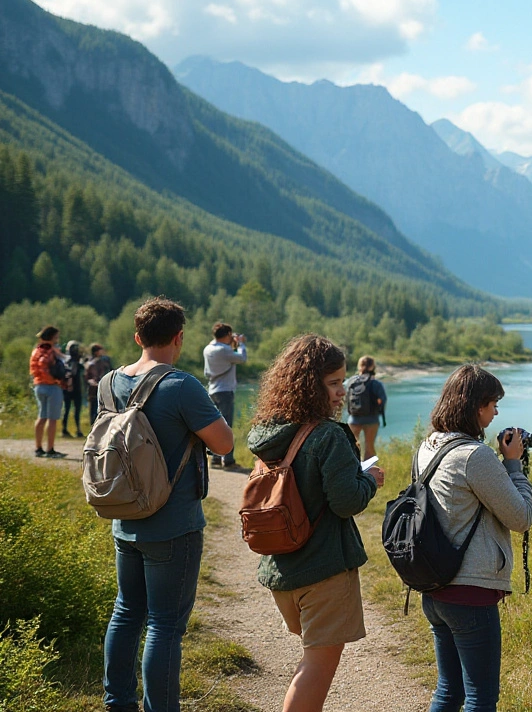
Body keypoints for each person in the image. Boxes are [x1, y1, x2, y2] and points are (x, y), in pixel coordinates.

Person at [102, 297, 234, 712]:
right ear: (179, 338)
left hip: (124, 517)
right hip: (173, 524)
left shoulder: (108, 382)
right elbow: (224, 443)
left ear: (137, 337)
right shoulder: (180, 385)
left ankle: (117, 702)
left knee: (126, 612)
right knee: (164, 624)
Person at [247, 334, 384, 712]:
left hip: (281, 568)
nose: (343, 391)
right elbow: (345, 502)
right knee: (318, 667)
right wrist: (368, 481)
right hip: (323, 570)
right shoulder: (328, 436)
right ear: (311, 385)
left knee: (311, 660)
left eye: (343, 381)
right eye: (334, 383)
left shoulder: (269, 433)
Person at [415, 364, 532, 712]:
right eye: (493, 403)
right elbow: (521, 517)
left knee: (448, 692)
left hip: (435, 586)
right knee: (480, 697)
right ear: (474, 405)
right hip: (469, 591)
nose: (496, 411)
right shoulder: (474, 456)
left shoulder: (429, 447)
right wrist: (513, 466)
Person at [203, 322, 247, 468]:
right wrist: (240, 344)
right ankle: (228, 460)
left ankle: (215, 458)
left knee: (215, 426)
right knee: (227, 426)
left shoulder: (208, 349)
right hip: (225, 391)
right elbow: (242, 358)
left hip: (212, 390)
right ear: (227, 335)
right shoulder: (224, 350)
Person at [29, 326, 66, 458]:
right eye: (56, 337)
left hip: (38, 386)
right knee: (52, 419)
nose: (57, 339)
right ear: (51, 337)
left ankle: (38, 448)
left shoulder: (36, 350)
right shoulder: (52, 351)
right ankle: (50, 449)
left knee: (41, 416)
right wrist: (56, 380)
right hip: (52, 386)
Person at [345, 355, 387, 461]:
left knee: (351, 446)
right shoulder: (375, 383)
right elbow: (383, 400)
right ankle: (369, 474)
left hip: (353, 418)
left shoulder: (351, 381)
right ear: (372, 367)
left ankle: (352, 470)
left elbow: (344, 396)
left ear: (359, 366)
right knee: (369, 448)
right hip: (371, 419)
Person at [61, 339, 86, 438]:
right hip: (73, 388)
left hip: (71, 388)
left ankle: (69, 429)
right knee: (71, 410)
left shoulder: (68, 360)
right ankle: (72, 430)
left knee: (69, 410)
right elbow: (73, 372)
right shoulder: (71, 361)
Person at [85, 343, 113, 422]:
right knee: (93, 408)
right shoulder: (90, 362)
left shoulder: (105, 361)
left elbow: (110, 371)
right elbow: (87, 377)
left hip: (104, 387)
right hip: (94, 389)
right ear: (96, 352)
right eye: (101, 350)